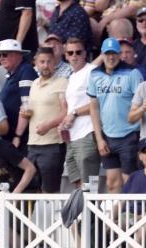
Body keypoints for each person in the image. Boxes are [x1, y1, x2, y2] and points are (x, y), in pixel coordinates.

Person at [88, 37, 143, 193]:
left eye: (114, 53)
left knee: (129, 181)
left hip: (129, 134)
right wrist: (99, 139)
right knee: (112, 183)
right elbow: (94, 107)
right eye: (107, 54)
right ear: (102, 54)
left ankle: (131, 216)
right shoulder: (94, 75)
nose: (111, 57)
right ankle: (115, 217)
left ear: (120, 54)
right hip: (107, 136)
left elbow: (140, 104)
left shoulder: (132, 73)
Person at [19, 47, 67, 193]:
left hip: (52, 145)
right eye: (42, 62)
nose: (45, 65)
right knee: (31, 190)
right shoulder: (34, 84)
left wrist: (49, 125)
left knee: (50, 191)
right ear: (36, 63)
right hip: (32, 144)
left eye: (49, 62)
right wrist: (24, 113)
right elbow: (31, 111)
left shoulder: (62, 82)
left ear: (55, 63)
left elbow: (66, 111)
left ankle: (55, 217)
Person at [60, 37, 98, 189]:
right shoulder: (72, 76)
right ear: (66, 55)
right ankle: (83, 212)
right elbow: (72, 107)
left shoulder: (92, 71)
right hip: (72, 134)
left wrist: (74, 113)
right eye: (70, 52)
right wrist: (64, 123)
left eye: (78, 52)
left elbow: (99, 103)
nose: (74, 56)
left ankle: (90, 213)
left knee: (88, 184)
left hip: (88, 131)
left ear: (85, 54)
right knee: (76, 180)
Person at [0, 39, 37, 147]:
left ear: (17, 55)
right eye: (0, 55)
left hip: (21, 138)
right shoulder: (14, 73)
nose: (1, 58)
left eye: (4, 54)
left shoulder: (26, 71)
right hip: (11, 136)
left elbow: (26, 105)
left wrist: (18, 135)